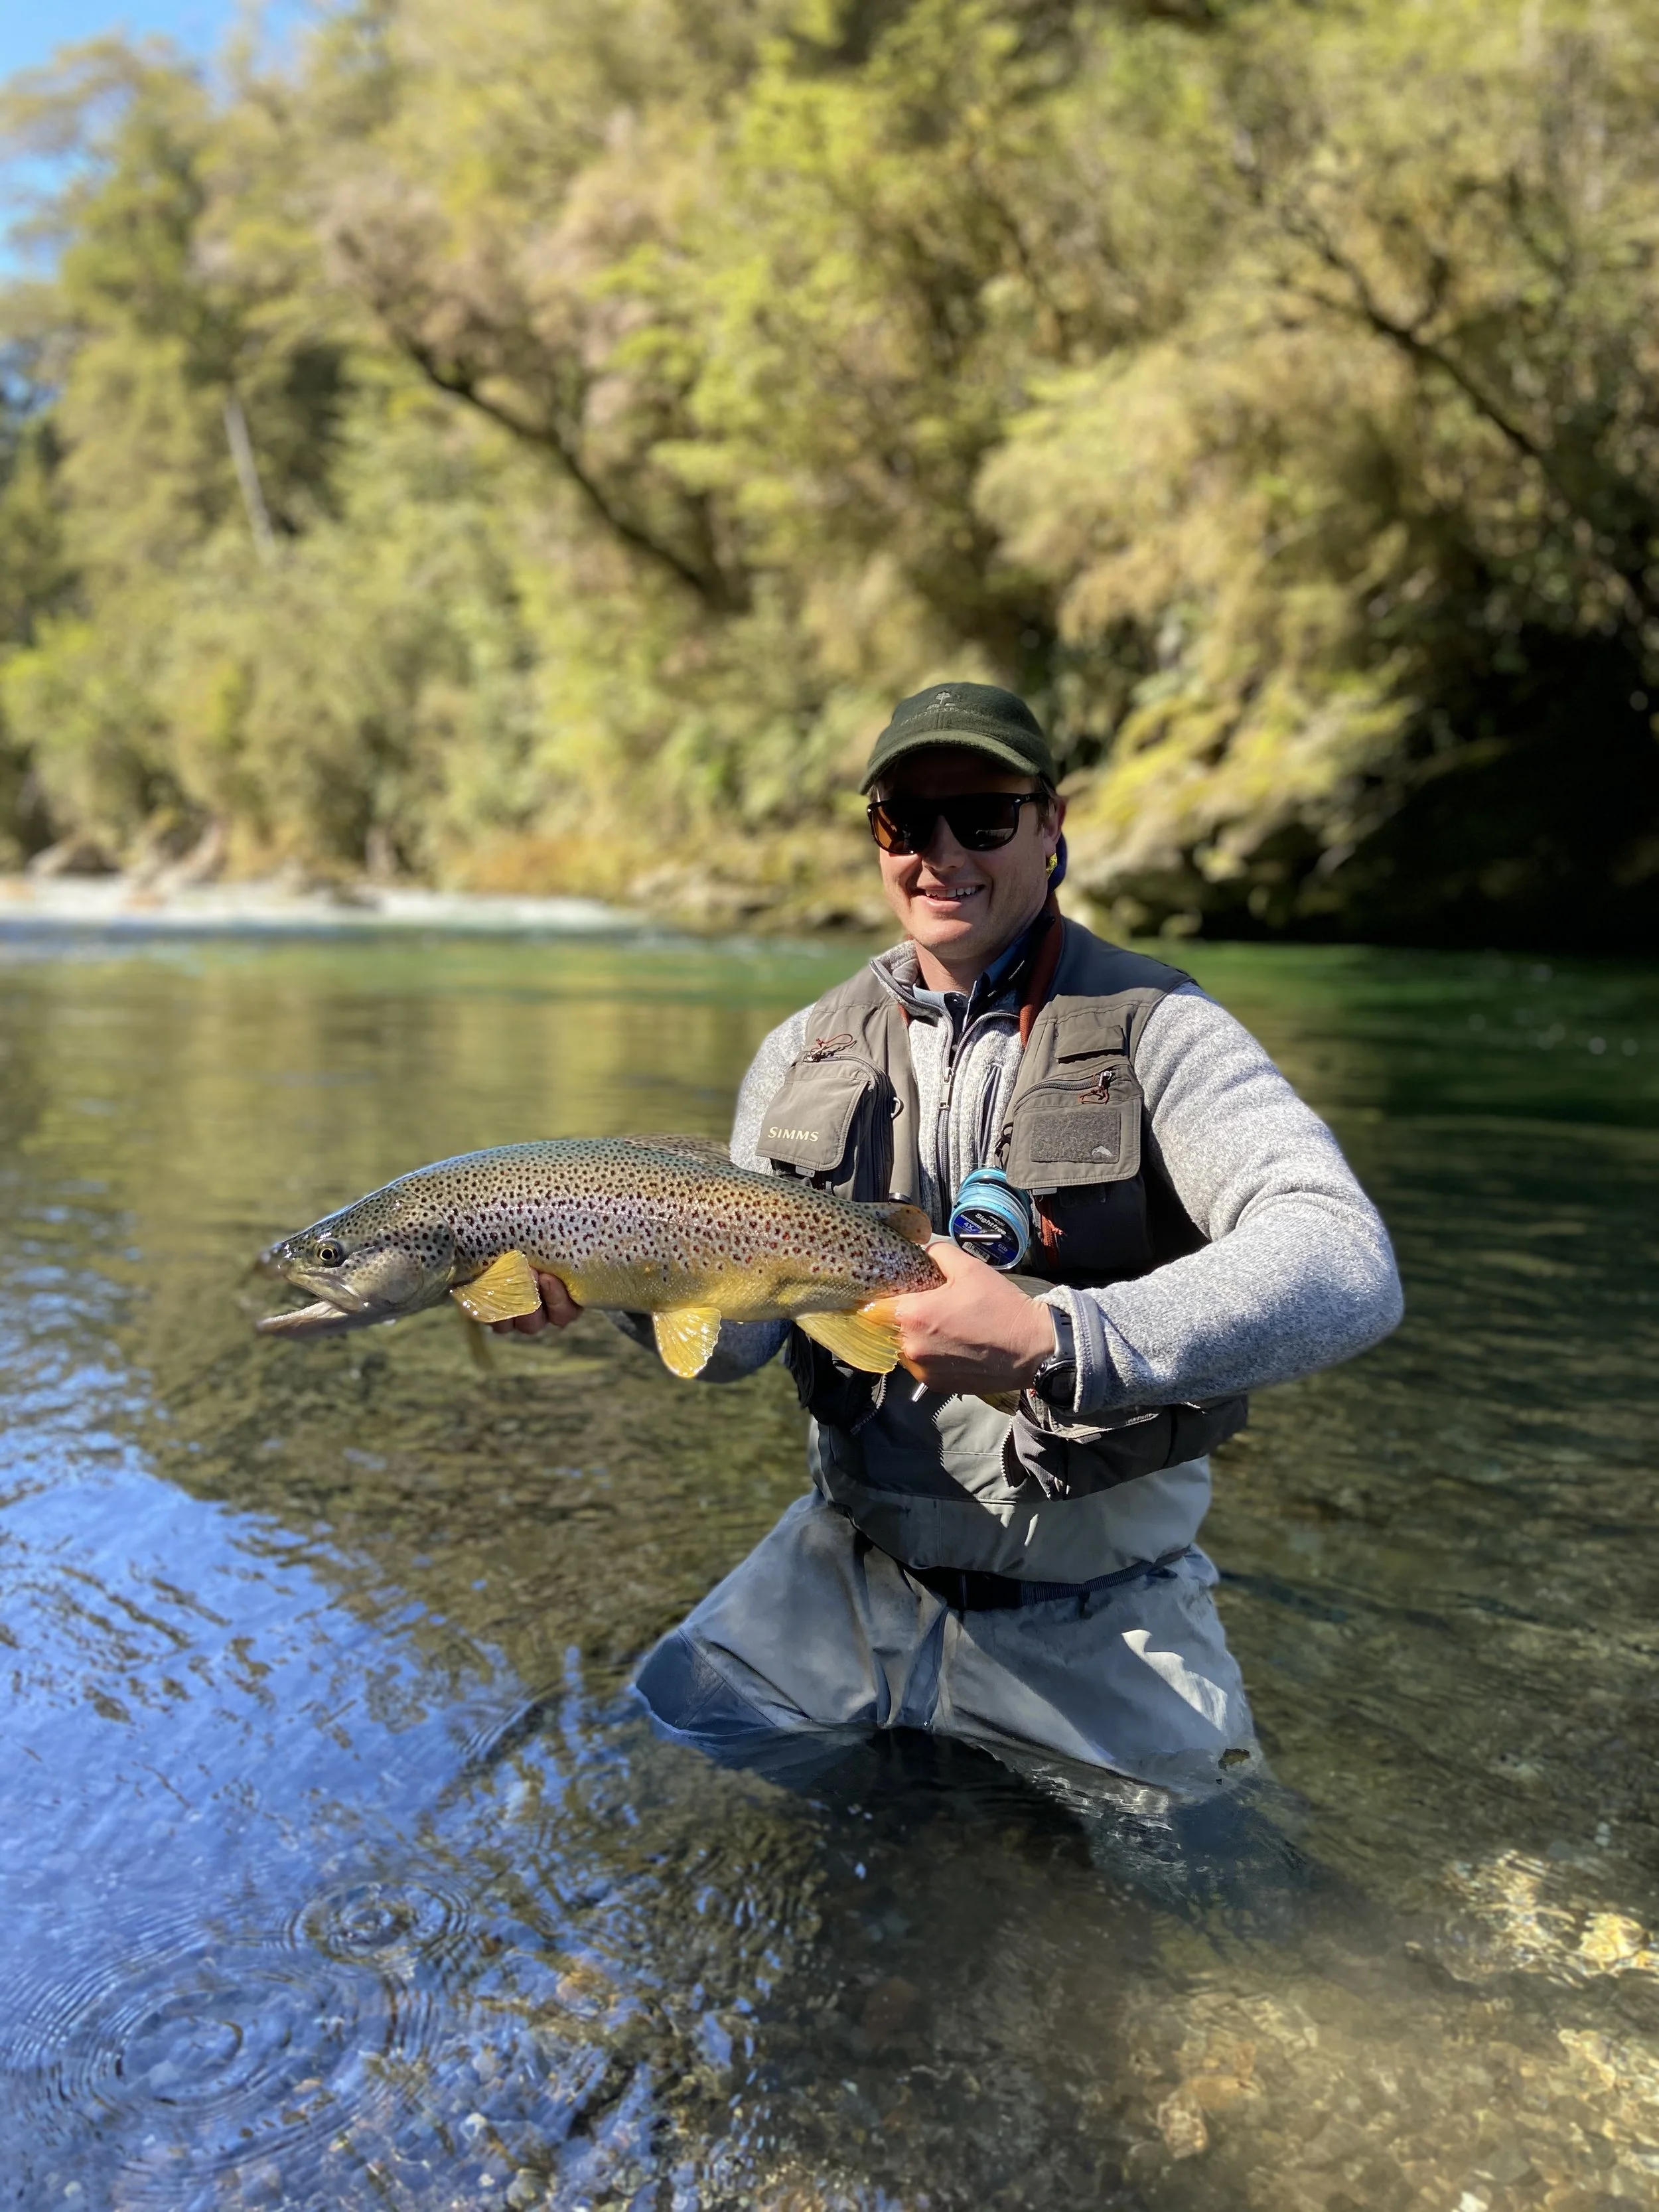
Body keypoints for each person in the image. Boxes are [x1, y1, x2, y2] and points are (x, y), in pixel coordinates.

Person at [500, 684, 1403, 1797]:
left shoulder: (1163, 1030)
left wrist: (1059, 1339)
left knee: (1216, 1888)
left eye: (981, 817)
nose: (939, 854)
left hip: (1100, 1606)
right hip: (845, 1568)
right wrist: (608, 1286)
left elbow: (1346, 1260)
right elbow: (735, 1351)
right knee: (670, 1744)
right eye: (903, 822)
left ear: (1050, 827)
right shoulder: (801, 1049)